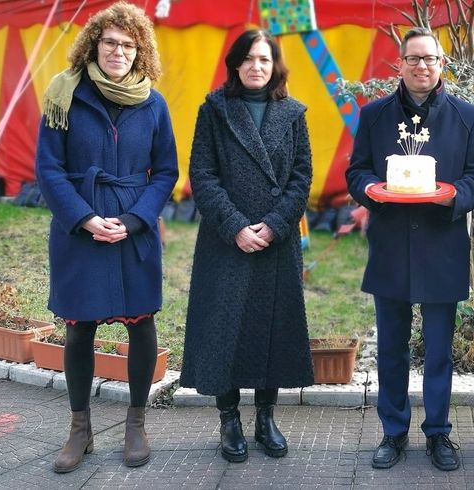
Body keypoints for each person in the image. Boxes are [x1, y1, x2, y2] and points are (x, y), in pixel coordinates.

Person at [35, 1, 178, 473]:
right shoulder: (64, 96)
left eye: (128, 45)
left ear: (141, 52)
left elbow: (166, 172)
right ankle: (80, 428)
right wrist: (83, 217)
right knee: (79, 328)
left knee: (142, 324)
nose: (119, 51)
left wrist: (137, 219)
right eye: (110, 42)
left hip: (134, 229)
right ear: (94, 44)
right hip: (80, 229)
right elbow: (49, 169)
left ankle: (136, 422)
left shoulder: (153, 103)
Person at [345, 27, 474, 472]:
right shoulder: (373, 117)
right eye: (413, 59)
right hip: (390, 245)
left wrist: (454, 195)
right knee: (391, 347)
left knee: (440, 349)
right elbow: (357, 172)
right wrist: (370, 188)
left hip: (441, 245)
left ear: (441, 64)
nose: (421, 66)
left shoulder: (468, 118)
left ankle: (439, 432)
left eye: (429, 59)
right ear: (400, 64)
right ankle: (393, 431)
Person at [179, 29, 314, 464]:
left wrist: (274, 225)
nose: (257, 66)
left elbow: (301, 176)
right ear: (235, 64)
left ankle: (266, 417)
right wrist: (237, 226)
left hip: (276, 240)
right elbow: (202, 174)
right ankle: (229, 418)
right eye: (249, 59)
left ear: (275, 66)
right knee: (226, 329)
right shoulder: (214, 110)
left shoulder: (293, 113)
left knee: (269, 327)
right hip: (226, 239)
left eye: (265, 59)